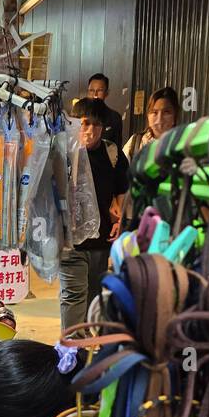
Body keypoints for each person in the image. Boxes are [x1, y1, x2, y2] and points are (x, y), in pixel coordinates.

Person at [60, 97, 130, 333]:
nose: (90, 130)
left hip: (100, 243)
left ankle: (86, 350)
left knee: (93, 300)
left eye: (96, 125)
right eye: (85, 123)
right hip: (71, 244)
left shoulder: (113, 154)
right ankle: (70, 353)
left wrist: (119, 218)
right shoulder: (63, 152)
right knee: (73, 297)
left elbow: (122, 192)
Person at [123, 86, 180, 162]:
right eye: (154, 112)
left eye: (166, 112)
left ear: (175, 115)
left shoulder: (183, 145)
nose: (159, 119)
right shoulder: (135, 143)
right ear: (148, 116)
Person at [85, 73, 124, 150]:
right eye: (92, 91)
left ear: (107, 93)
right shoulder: (80, 115)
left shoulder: (114, 117)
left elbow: (116, 148)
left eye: (99, 91)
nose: (95, 95)